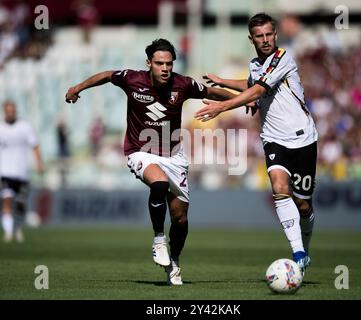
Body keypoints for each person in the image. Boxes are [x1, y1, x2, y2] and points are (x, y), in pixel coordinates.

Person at [65, 38, 236, 285]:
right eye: (159, 63)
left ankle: (174, 261)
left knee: (180, 219)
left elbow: (211, 92)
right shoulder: (132, 79)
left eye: (169, 63)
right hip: (140, 151)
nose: (165, 68)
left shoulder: (183, 84)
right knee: (159, 184)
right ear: (149, 63)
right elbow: (105, 75)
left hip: (174, 156)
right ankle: (158, 239)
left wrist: (241, 101)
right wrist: (77, 88)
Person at [196, 13, 318, 275]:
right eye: (259, 36)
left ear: (275, 35)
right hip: (274, 138)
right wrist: (222, 81)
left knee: (304, 205)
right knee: (279, 187)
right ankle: (297, 254)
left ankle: (305, 248)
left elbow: (260, 89)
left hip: (303, 138)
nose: (265, 40)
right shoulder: (255, 64)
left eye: (268, 35)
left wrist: (224, 105)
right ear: (251, 39)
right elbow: (251, 83)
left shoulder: (283, 58)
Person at [0, 101, 43, 243]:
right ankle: (8, 233)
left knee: (21, 203)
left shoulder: (25, 126)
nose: (11, 113)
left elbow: (35, 146)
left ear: (16, 111)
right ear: (4, 112)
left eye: (13, 111)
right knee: (7, 200)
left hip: (22, 172)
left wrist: (39, 163)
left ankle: (17, 228)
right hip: (5, 171)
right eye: (8, 111)